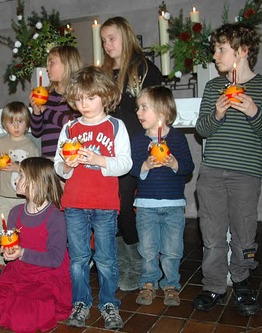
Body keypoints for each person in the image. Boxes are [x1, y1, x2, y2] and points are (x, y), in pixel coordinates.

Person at [193, 23, 262, 317]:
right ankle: (214, 284)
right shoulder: (213, 87)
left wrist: (253, 110)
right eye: (215, 48)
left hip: (246, 174)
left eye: (221, 49)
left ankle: (242, 281)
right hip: (212, 172)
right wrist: (217, 113)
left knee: (244, 233)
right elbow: (202, 130)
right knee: (212, 233)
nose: (215, 55)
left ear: (242, 51)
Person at [54, 66, 132, 330]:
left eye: (90, 98)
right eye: (78, 99)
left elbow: (125, 164)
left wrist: (98, 160)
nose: (84, 104)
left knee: (106, 258)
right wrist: (68, 164)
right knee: (78, 259)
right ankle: (81, 303)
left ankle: (109, 303)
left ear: (105, 95)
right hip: (75, 203)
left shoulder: (115, 126)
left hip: (105, 204)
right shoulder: (70, 128)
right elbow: (58, 167)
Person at [101, 16, 163, 291]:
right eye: (103, 40)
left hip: (137, 146)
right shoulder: (103, 72)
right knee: (113, 207)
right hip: (109, 148)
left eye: (112, 38)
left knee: (129, 207)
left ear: (126, 36)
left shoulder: (144, 68)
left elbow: (157, 106)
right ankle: (124, 263)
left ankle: (141, 264)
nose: (107, 44)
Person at [0, 157, 71, 332]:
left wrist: (22, 253)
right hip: (20, 270)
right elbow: (12, 245)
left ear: (38, 181)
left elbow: (55, 259)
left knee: (24, 316)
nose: (16, 180)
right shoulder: (15, 212)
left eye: (22, 176)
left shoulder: (55, 216)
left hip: (46, 273)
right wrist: (8, 251)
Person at [129, 86, 194, 307]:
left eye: (144, 107)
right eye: (138, 108)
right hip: (146, 205)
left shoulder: (177, 139)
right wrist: (145, 165)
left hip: (174, 205)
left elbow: (188, 166)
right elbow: (132, 168)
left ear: (162, 112)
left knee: (172, 249)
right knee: (147, 248)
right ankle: (148, 282)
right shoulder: (138, 141)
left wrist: (174, 163)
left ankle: (171, 284)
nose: (138, 112)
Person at [0, 101, 40, 276]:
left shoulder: (31, 146)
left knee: (22, 230)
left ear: (27, 123)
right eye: (11, 122)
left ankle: (22, 258)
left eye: (20, 121)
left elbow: (36, 171)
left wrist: (19, 167)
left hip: (23, 198)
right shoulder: (0, 144)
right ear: (5, 124)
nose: (16, 126)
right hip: (1, 195)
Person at [29, 45, 83, 159]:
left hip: (70, 158)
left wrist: (45, 110)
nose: (47, 68)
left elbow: (71, 124)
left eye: (52, 63)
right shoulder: (47, 96)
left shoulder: (77, 96)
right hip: (48, 158)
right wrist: (36, 111)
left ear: (67, 65)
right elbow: (36, 132)